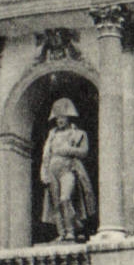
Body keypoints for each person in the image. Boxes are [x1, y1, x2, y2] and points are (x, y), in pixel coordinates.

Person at [39, 98, 95, 241]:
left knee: (65, 198)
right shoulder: (52, 135)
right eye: (57, 118)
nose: (60, 120)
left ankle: (72, 229)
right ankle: (62, 233)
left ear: (68, 117)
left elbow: (84, 152)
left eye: (63, 117)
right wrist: (43, 171)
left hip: (68, 168)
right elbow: (46, 155)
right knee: (56, 204)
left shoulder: (78, 133)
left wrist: (69, 149)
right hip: (52, 170)